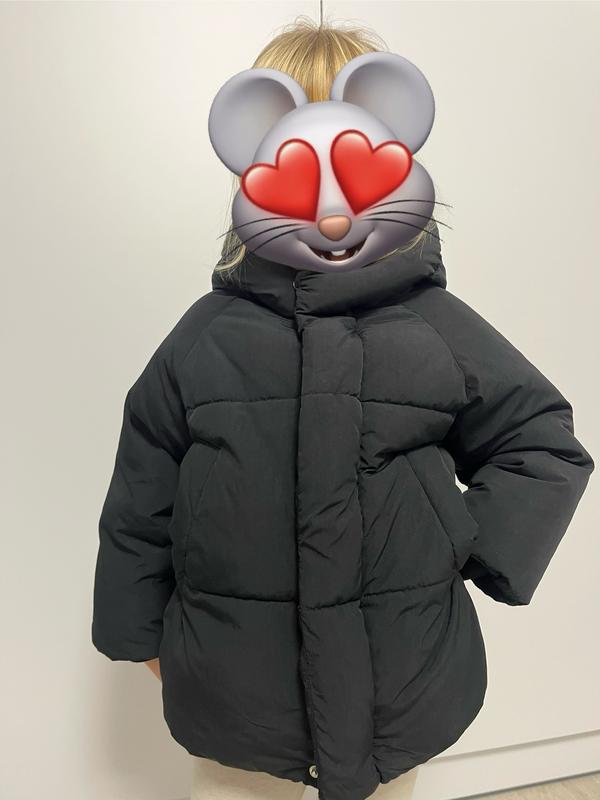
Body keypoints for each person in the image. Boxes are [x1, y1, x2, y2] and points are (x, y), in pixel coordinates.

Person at [91, 17, 594, 800]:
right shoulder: (206, 337)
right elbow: (140, 492)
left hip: (398, 688)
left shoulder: (434, 327)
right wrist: (140, 634)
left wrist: (461, 544)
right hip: (235, 691)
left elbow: (540, 443)